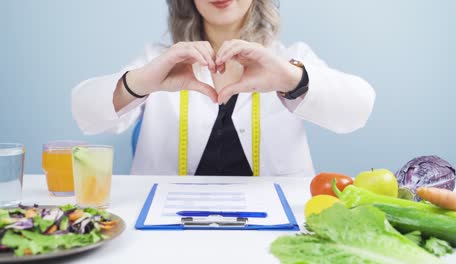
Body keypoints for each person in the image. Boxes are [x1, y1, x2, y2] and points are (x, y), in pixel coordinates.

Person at [71, 0, 375, 176]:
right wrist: (139, 83)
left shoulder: (289, 58)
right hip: (166, 234)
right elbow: (85, 111)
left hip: (273, 234)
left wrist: (290, 79)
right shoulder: (158, 60)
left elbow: (358, 109)